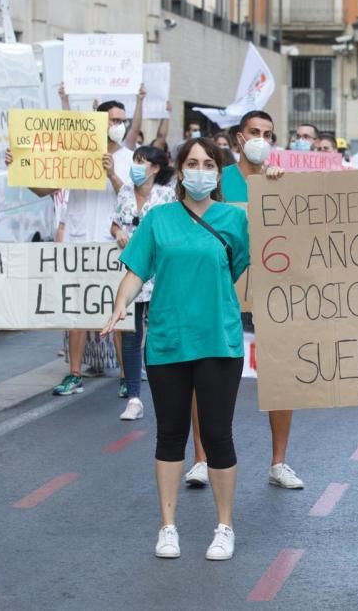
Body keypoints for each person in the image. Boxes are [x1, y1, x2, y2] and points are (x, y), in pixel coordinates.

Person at [103, 138, 250, 561]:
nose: (201, 169)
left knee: (218, 435)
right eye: (193, 162)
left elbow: (236, 266)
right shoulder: (158, 219)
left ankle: (225, 526)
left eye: (209, 164)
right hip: (167, 340)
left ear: (218, 174)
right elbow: (135, 271)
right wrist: (118, 308)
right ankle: (168, 527)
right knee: (170, 436)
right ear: (181, 170)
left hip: (219, 342)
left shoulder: (233, 220)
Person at [183, 110, 304, 492]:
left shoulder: (282, 182)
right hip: (223, 292)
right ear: (238, 138)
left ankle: (279, 462)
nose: (260, 139)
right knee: (208, 374)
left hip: (271, 292)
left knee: (280, 374)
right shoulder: (217, 184)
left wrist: (278, 190)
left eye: (268, 133)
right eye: (254, 132)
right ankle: (201, 459)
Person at [12, 100, 133, 396]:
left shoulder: (130, 158)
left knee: (117, 312)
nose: (117, 125)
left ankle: (125, 377)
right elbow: (45, 189)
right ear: (98, 122)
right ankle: (74, 373)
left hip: (113, 244)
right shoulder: (75, 154)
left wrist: (112, 174)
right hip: (78, 242)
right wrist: (19, 166)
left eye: (122, 120)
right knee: (75, 311)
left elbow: (131, 198)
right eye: (112, 120)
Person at [109, 145, 177, 421]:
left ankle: (165, 392)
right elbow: (114, 223)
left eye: (142, 162)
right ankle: (134, 396)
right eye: (135, 160)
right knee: (131, 333)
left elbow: (173, 229)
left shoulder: (167, 195)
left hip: (159, 273)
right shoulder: (125, 191)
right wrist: (118, 234)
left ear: (155, 168)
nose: (136, 166)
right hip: (132, 272)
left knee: (158, 333)